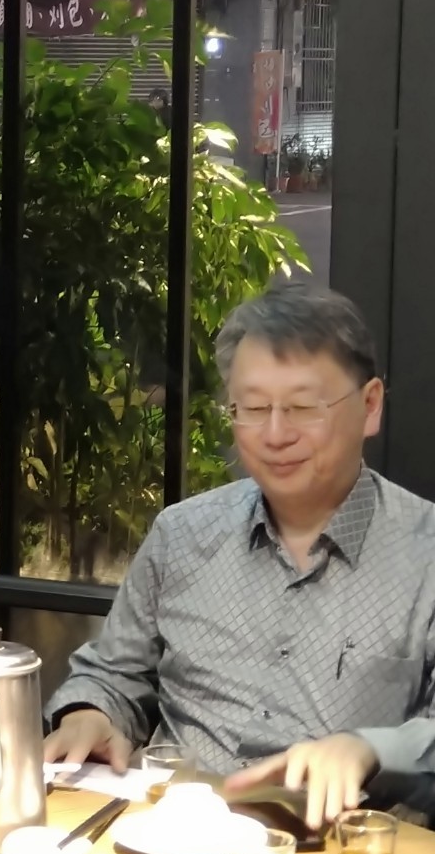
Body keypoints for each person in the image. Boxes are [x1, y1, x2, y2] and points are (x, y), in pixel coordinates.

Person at [44, 283, 435, 826]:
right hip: (169, 834)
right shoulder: (182, 534)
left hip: (335, 851)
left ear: (369, 406)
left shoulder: (424, 553)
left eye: (302, 407)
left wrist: (370, 750)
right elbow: (113, 674)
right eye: (252, 408)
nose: (275, 434)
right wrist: (91, 713)